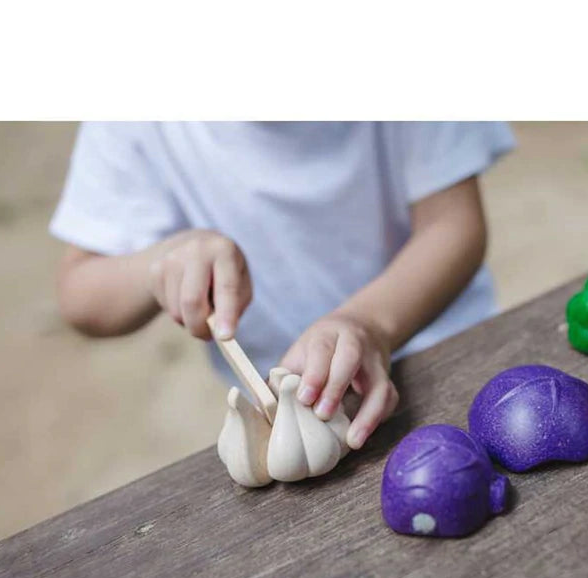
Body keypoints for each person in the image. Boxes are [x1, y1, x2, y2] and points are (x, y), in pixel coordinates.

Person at [52, 122, 514, 450]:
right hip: (289, 412)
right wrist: (159, 260)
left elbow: (453, 225)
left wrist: (369, 323)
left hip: (444, 360)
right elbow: (80, 293)